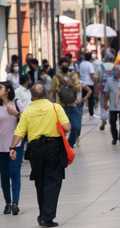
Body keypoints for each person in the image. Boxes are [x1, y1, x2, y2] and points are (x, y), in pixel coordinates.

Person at [10, 83, 70, 228]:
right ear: (46, 94)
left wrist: (12, 147)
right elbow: (67, 127)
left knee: (40, 182)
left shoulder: (27, 112)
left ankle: (43, 214)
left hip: (35, 149)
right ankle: (46, 217)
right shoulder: (55, 107)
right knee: (53, 181)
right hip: (53, 148)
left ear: (32, 96)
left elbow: (19, 132)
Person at [51, 57, 85, 148]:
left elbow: (78, 88)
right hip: (60, 106)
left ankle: (70, 144)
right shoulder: (56, 77)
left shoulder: (73, 75)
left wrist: (71, 85)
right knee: (61, 129)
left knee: (76, 127)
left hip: (73, 105)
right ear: (60, 65)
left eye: (66, 63)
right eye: (63, 63)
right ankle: (62, 146)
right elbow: (52, 91)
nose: (64, 65)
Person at [0, 81, 23, 216]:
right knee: (4, 176)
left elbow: (26, 119)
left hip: (15, 145)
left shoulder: (16, 104)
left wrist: (15, 113)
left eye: (0, 88)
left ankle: (15, 203)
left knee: (15, 174)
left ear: (8, 90)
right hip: (0, 148)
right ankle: (8, 203)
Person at [104, 66, 120, 146]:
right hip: (113, 105)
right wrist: (105, 103)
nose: (115, 72)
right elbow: (106, 93)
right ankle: (114, 137)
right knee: (112, 122)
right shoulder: (109, 80)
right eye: (114, 70)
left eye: (117, 70)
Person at [78, 53, 96, 118]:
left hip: (82, 83)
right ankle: (91, 114)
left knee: (83, 97)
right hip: (89, 83)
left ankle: (80, 112)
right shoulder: (90, 64)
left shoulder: (81, 64)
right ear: (90, 58)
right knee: (91, 99)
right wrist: (94, 81)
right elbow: (92, 74)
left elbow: (78, 73)